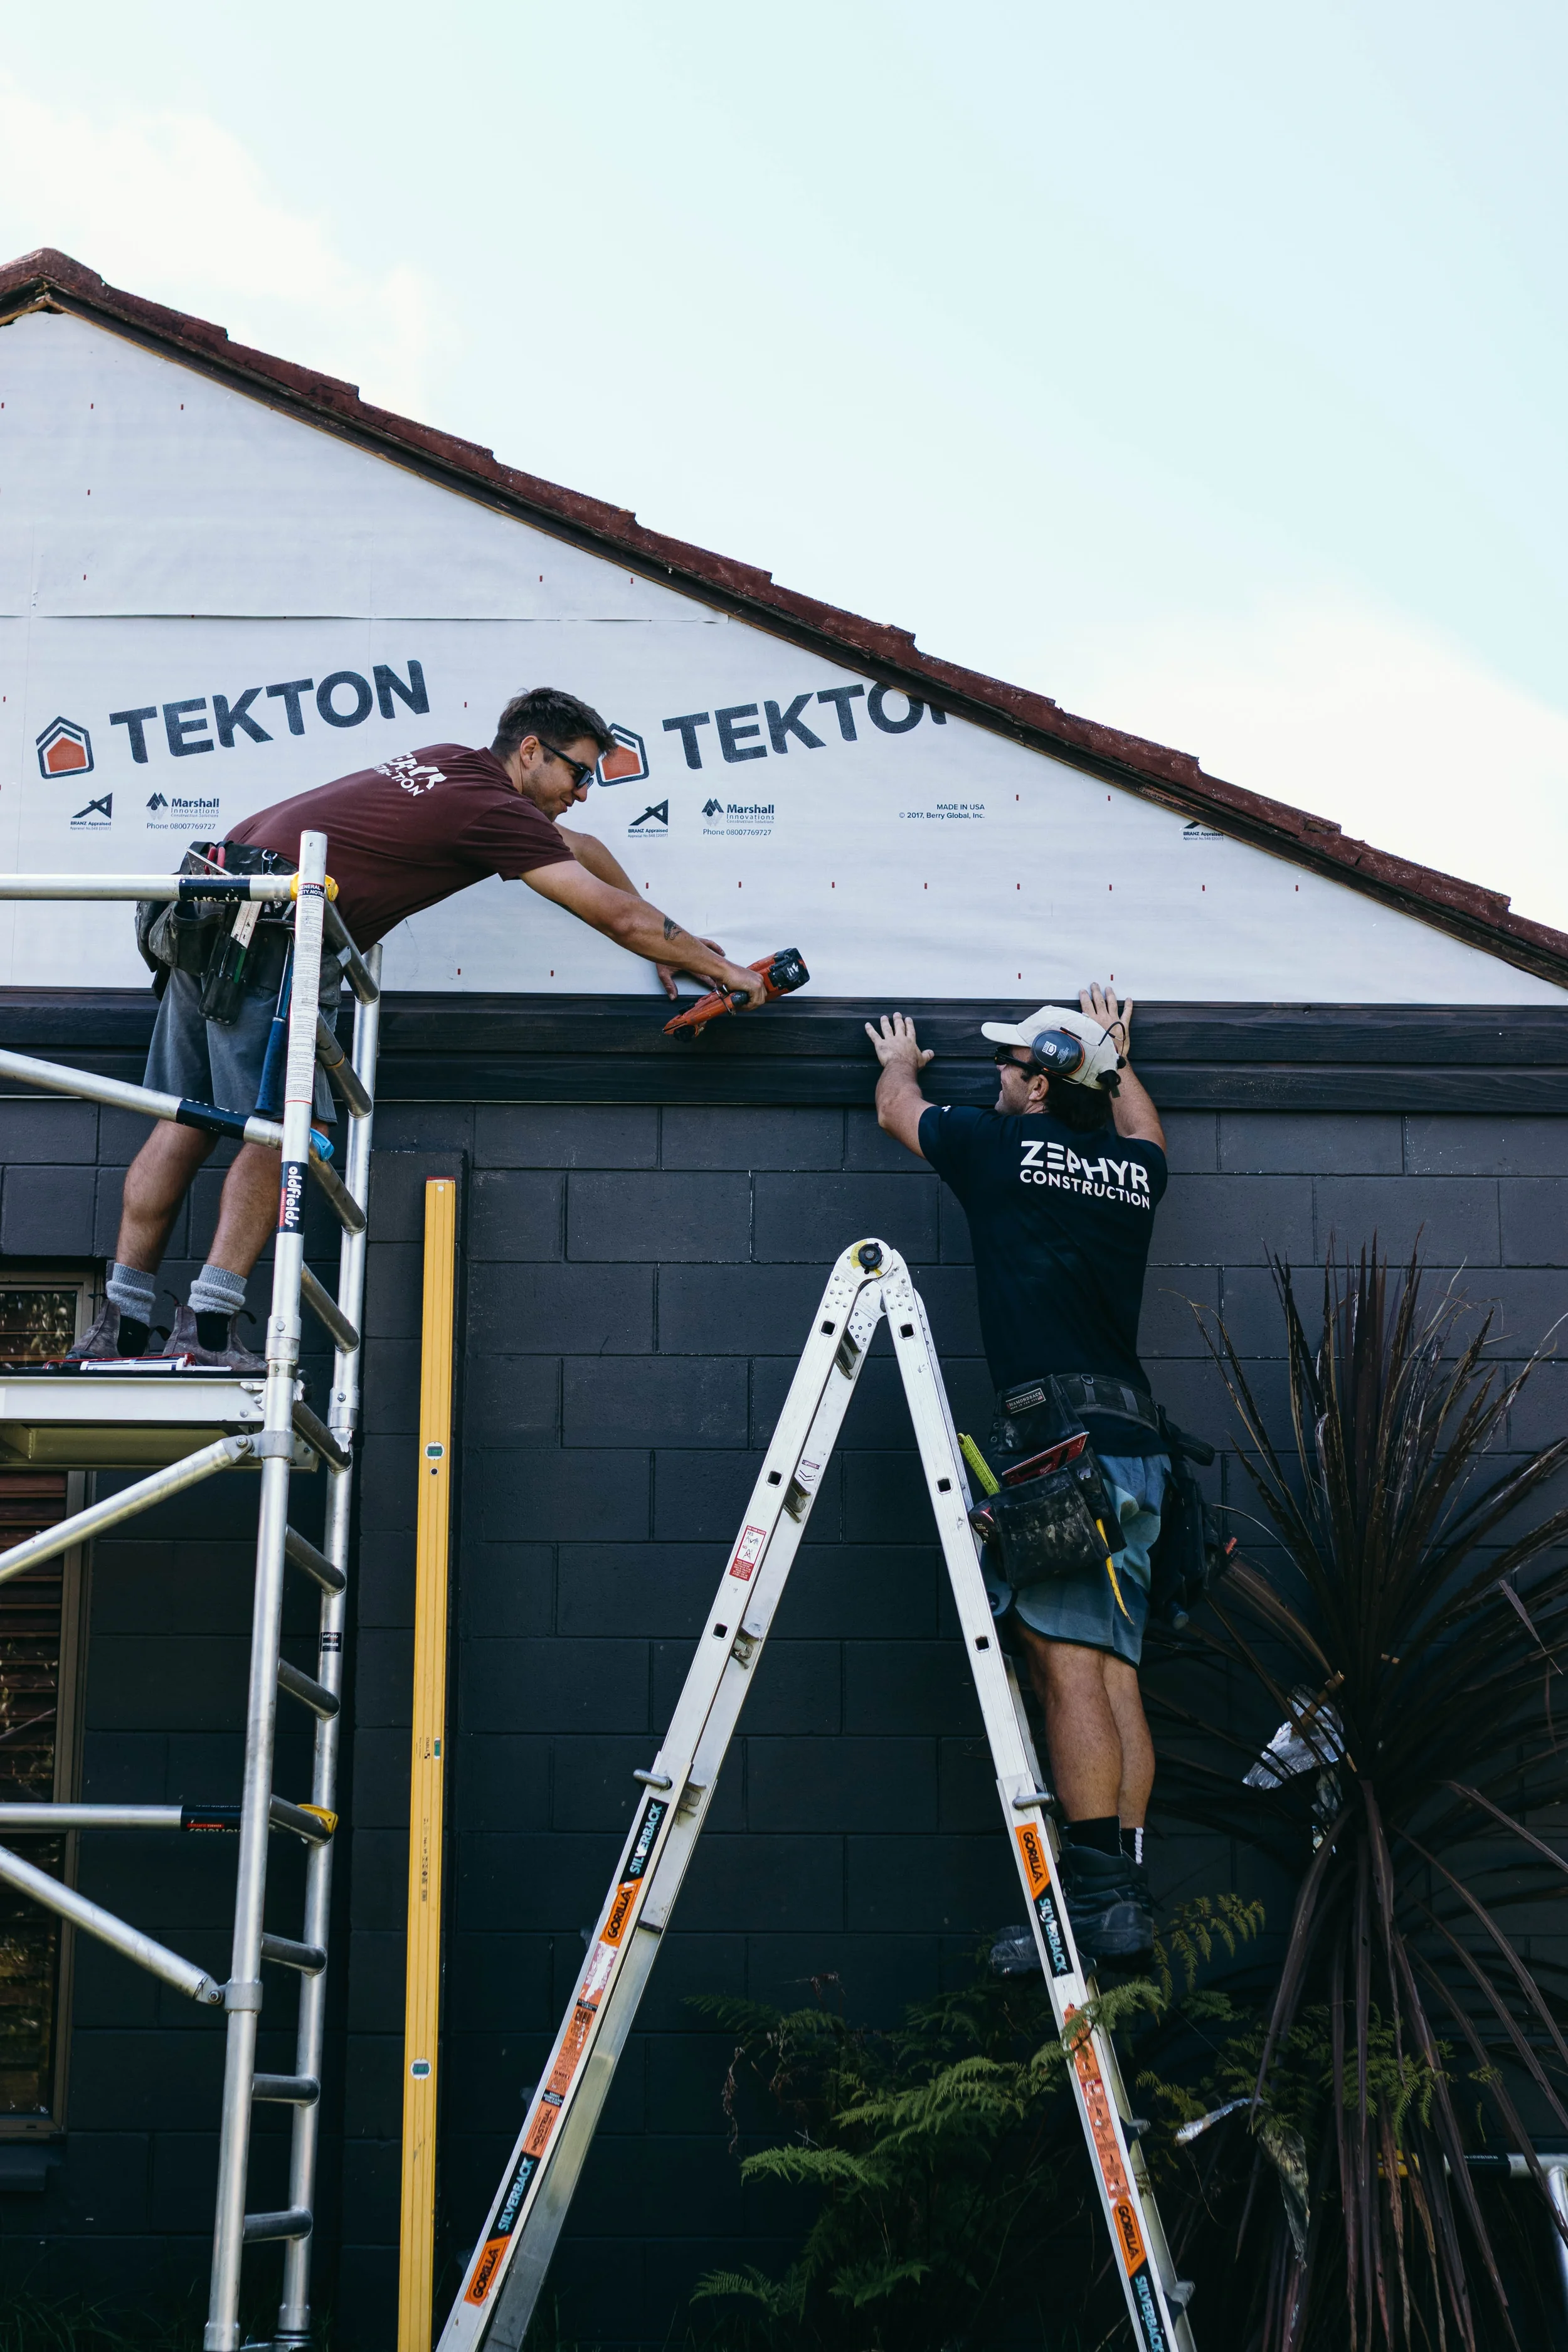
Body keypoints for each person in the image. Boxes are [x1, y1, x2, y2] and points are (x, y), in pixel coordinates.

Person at [73, 686, 766, 1371]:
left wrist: (687, 948)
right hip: (280, 931)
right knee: (275, 1127)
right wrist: (727, 969)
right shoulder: (490, 809)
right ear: (531, 752)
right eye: (578, 773)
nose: (582, 791)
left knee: (185, 1120)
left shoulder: (448, 764)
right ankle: (211, 1331)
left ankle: (120, 1325)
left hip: (216, 904)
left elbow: (582, 850)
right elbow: (615, 918)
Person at [864, 985, 1169, 1964]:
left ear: (1038, 1086)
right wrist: (1117, 1054)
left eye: (1009, 1065)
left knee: (1065, 1666)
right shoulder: (1133, 1174)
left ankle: (1089, 1898)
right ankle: (1120, 1890)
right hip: (1137, 1447)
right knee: (1115, 1668)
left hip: (1061, 1448)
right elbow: (1145, 1127)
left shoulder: (1000, 1149)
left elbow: (895, 1113)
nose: (995, 1074)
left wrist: (901, 1063)